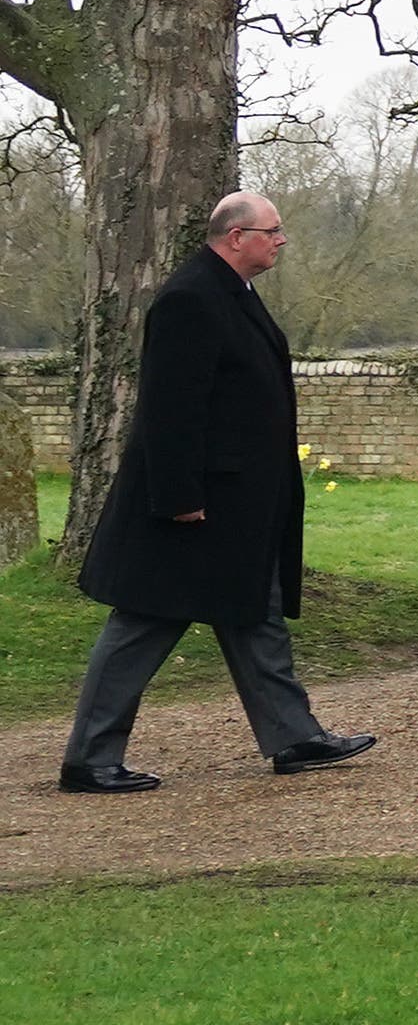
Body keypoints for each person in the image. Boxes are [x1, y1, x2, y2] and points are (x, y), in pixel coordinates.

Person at [59, 193, 376, 792]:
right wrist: (179, 496)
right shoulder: (190, 298)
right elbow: (170, 408)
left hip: (239, 505)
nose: (281, 240)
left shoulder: (234, 294)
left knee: (255, 613)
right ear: (236, 237)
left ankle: (294, 735)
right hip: (192, 507)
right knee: (145, 623)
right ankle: (89, 759)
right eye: (272, 231)